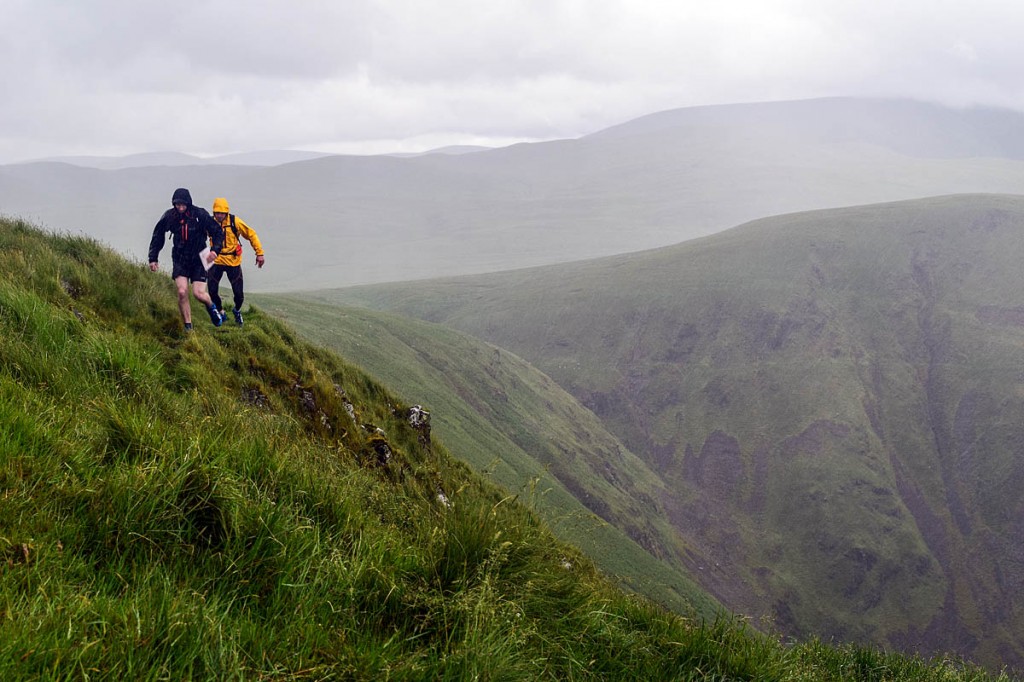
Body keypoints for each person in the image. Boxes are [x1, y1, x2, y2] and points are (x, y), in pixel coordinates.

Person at [147, 188, 225, 331]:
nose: (181, 208)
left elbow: (218, 232)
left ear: (188, 203)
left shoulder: (199, 214)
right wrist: (153, 258)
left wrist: (215, 251)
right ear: (174, 204)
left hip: (200, 257)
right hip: (180, 257)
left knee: (198, 294)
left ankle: (211, 306)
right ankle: (188, 327)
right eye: (178, 205)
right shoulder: (170, 216)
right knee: (182, 292)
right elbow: (158, 235)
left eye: (183, 205)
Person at [208, 197, 265, 326]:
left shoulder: (235, 221)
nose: (219, 215)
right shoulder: (210, 223)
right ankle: (221, 312)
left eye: (221, 213)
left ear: (226, 212)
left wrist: (259, 253)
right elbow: (199, 237)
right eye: (217, 212)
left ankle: (236, 310)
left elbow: (251, 234)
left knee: (239, 294)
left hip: (233, 261)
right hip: (216, 260)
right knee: (212, 291)